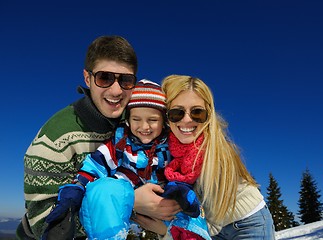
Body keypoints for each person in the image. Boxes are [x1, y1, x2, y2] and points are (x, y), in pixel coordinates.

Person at [16, 36, 179, 240]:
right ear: (87, 78)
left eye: (126, 80)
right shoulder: (56, 138)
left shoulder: (138, 123)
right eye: (104, 78)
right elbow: (44, 222)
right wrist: (130, 203)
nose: (116, 90)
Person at [44, 79, 210, 240]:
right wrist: (76, 189)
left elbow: (177, 171)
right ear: (128, 120)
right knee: (105, 188)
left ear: (163, 122)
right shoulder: (120, 144)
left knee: (187, 215)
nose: (144, 127)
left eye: (152, 120)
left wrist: (180, 190)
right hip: (124, 201)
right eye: (136, 119)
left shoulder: (168, 145)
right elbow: (95, 165)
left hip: (160, 204)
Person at [158, 74, 276, 239]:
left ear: (208, 115)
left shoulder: (214, 145)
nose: (187, 120)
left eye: (197, 112)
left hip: (248, 222)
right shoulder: (166, 152)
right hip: (214, 229)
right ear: (166, 116)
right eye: (177, 112)